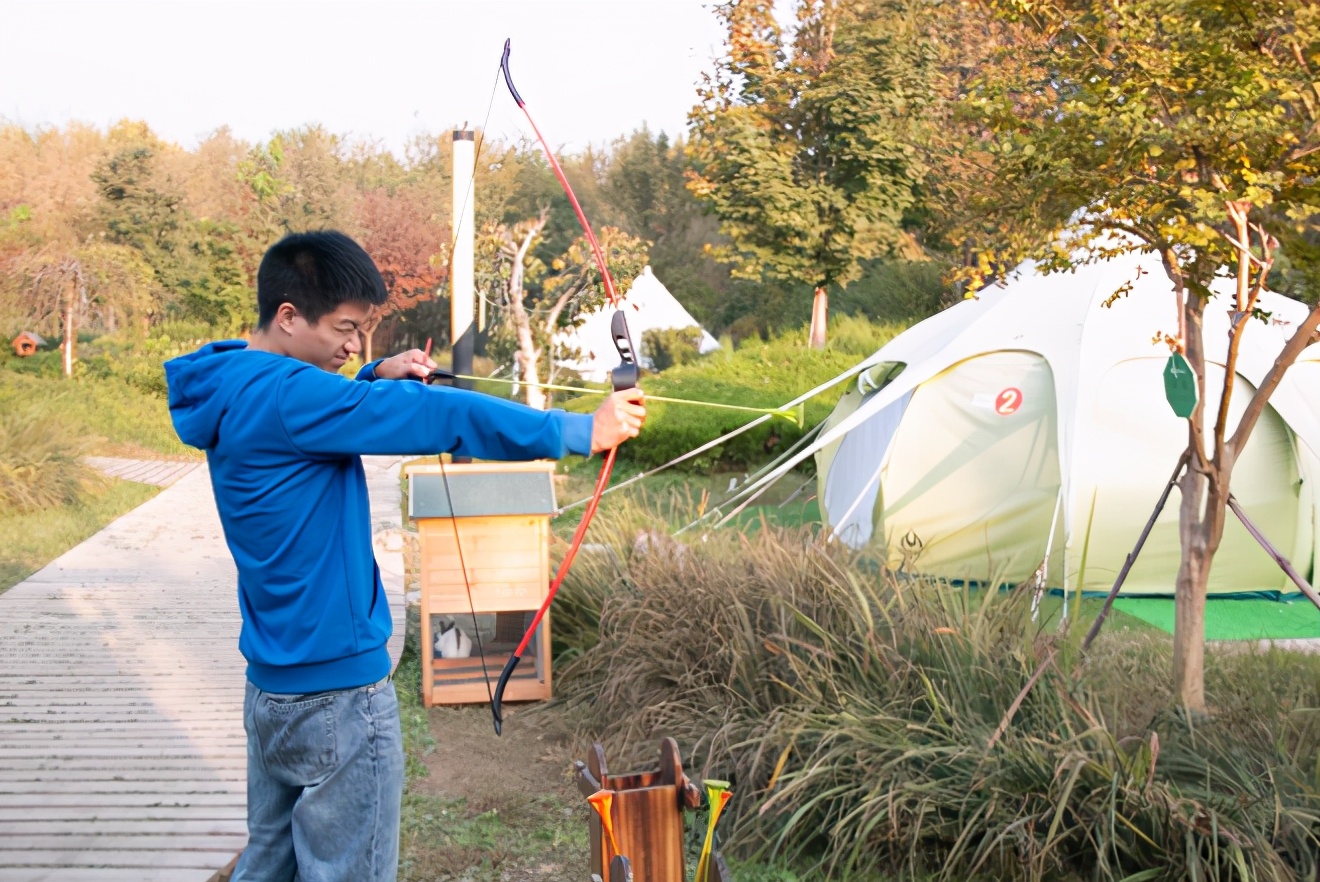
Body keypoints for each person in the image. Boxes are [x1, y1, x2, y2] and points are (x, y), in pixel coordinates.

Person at [163, 230, 645, 882]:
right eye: (345, 328)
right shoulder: (293, 397)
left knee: (266, 870)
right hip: (337, 696)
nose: (356, 345)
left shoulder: (233, 385)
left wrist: (367, 378)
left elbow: (303, 411)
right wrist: (578, 429)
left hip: (273, 691)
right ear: (287, 316)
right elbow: (435, 414)